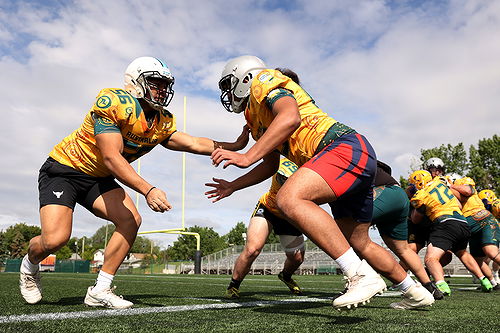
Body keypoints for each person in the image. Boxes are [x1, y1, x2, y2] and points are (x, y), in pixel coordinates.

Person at [20, 57, 249, 308]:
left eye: (165, 84)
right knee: (55, 239)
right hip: (65, 169)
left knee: (130, 220)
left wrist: (235, 145)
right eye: (155, 82)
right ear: (136, 82)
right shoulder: (114, 102)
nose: (162, 89)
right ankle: (29, 265)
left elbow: (193, 143)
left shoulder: (161, 121)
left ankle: (100, 289)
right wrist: (147, 189)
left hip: (98, 178)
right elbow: (110, 157)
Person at [206, 56, 431, 310]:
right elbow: (270, 165)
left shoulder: (262, 81)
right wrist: (233, 185)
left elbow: (290, 116)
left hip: (341, 147)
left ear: (244, 77)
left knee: (289, 198)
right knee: (360, 242)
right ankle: (415, 292)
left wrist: (246, 155)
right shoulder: (256, 119)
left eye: (229, 84)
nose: (228, 93)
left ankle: (360, 275)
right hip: (344, 158)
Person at [225, 158, 305, 299]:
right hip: (268, 208)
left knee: (297, 258)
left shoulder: (309, 173)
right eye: (281, 177)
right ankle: (234, 285)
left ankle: (286, 276)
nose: (283, 181)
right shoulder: (281, 158)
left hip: (290, 214)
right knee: (252, 249)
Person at [408, 170, 493, 296]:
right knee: (462, 253)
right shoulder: (441, 184)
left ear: (418, 183)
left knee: (431, 259)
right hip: (462, 222)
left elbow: (415, 220)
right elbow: (458, 204)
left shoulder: (421, 194)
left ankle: (441, 285)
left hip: (445, 223)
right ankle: (485, 280)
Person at [372, 161, 443, 303]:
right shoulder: (439, 185)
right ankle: (429, 287)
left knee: (354, 236)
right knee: (404, 249)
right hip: (397, 194)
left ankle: (366, 278)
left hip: (383, 193)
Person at [450, 176, 500, 290]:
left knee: (491, 252)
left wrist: (449, 186)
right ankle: (493, 282)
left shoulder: (465, 187)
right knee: (477, 261)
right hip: (471, 224)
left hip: (481, 219)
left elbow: (467, 190)